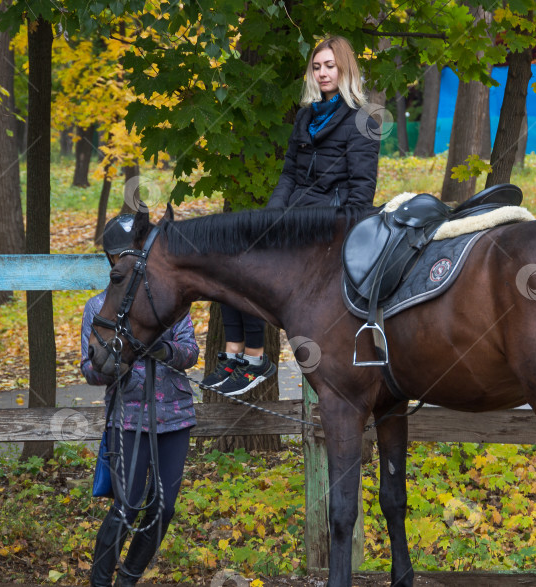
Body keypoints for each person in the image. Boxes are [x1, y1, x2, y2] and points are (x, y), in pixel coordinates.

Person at [203, 35, 380, 391]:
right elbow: (289, 174)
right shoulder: (305, 117)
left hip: (329, 227)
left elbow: (361, 195)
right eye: (316, 67)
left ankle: (255, 359)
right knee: (227, 255)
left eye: (330, 66)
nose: (322, 73)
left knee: (250, 264)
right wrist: (269, 218)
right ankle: (234, 356)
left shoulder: (364, 120)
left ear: (345, 68)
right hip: (293, 218)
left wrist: (337, 232)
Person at [82, 214, 199, 587]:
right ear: (113, 261)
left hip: (174, 415)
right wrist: (116, 363)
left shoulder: (171, 302)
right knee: (128, 504)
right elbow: (90, 369)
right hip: (128, 417)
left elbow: (190, 352)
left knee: (163, 508)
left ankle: (129, 578)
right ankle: (100, 581)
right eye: (122, 256)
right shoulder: (99, 307)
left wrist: (161, 348)